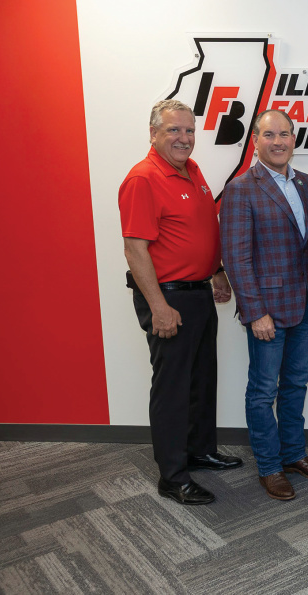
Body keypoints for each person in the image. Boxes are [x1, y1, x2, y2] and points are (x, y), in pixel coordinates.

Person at [118, 99, 242, 506]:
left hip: (198, 292)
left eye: (189, 130)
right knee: (172, 388)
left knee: (202, 380)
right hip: (168, 297)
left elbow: (201, 228)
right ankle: (172, 476)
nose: (184, 138)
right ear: (153, 133)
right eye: (174, 130)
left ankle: (199, 451)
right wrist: (158, 307)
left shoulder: (192, 170)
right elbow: (135, 249)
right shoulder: (143, 178)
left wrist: (217, 270)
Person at [220, 110, 308, 501]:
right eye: (269, 135)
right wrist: (255, 312)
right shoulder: (240, 189)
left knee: (296, 384)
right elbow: (236, 257)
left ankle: (293, 455)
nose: (278, 141)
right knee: (263, 390)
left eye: (285, 134)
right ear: (255, 140)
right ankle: (269, 467)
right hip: (267, 310)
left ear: (294, 139)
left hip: (306, 306)